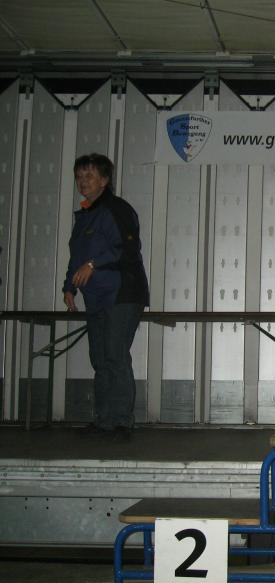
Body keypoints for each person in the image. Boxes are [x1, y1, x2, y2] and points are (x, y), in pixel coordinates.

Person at [63, 153, 149, 441]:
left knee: (115, 354)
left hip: (122, 293)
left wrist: (93, 263)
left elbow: (127, 247)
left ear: (104, 180)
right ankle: (104, 420)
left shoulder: (116, 209)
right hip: (97, 298)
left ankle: (122, 422)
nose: (82, 181)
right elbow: (76, 257)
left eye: (89, 175)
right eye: (79, 176)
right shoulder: (85, 216)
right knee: (99, 358)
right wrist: (69, 287)